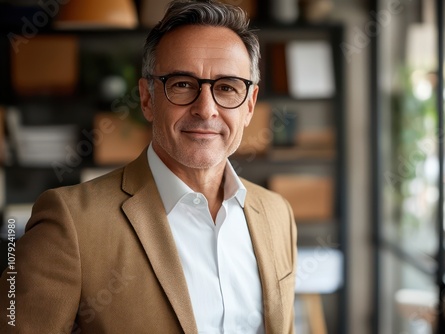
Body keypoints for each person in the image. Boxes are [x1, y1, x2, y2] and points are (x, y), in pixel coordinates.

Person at [0, 0, 297, 333]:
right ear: (147, 98)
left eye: (227, 88)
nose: (206, 109)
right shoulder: (69, 222)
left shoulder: (278, 214)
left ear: (249, 106)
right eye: (183, 84)